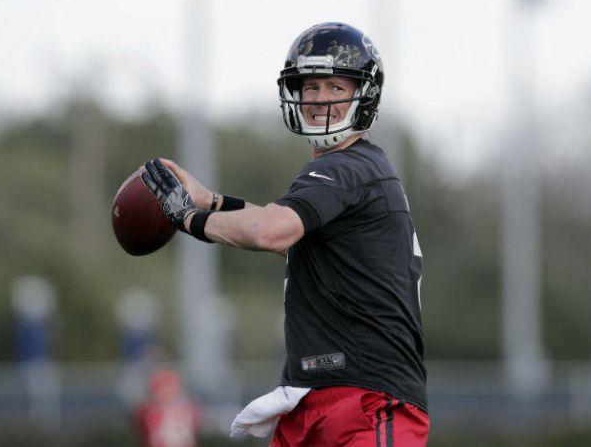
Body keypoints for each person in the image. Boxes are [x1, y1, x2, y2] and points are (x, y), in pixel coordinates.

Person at [141, 22, 429, 446]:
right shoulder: (353, 171)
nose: (319, 99)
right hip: (318, 400)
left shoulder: (344, 167)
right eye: (310, 86)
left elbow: (271, 232)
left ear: (364, 94)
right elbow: (292, 237)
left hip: (367, 402)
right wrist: (211, 202)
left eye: (335, 86)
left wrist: (187, 217)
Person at [136, 368, 201, 447]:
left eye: (170, 386)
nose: (167, 391)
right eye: (163, 388)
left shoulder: (189, 409)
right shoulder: (149, 412)